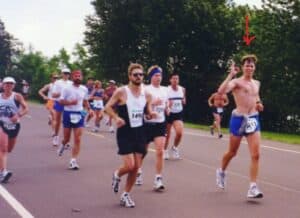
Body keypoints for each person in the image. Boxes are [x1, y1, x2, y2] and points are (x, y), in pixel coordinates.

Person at [105, 63, 154, 208]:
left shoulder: (147, 94)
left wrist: (151, 114)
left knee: (136, 167)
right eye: (136, 74)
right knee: (130, 165)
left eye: (141, 74)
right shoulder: (122, 92)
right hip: (125, 132)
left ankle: (125, 194)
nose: (139, 77)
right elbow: (107, 107)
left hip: (140, 132)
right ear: (129, 76)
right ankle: (117, 174)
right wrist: (116, 118)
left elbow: (147, 111)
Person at [216, 54, 264, 199]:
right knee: (232, 152)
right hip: (238, 119)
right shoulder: (236, 82)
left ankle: (253, 187)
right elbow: (221, 91)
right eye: (247, 65)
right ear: (243, 67)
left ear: (254, 68)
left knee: (256, 154)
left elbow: (256, 96)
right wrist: (230, 75)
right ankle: (221, 171)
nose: (249, 67)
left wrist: (259, 104)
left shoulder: (257, 83)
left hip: (253, 119)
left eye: (251, 65)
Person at [135, 65, 169, 190]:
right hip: (146, 124)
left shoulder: (165, 90)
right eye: (156, 75)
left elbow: (165, 104)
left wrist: (167, 108)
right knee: (142, 152)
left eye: (160, 75)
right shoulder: (145, 89)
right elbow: (139, 104)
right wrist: (153, 104)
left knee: (160, 151)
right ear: (151, 77)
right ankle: (138, 171)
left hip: (160, 123)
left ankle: (158, 179)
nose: (158, 77)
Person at [57, 70, 92, 170]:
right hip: (68, 113)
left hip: (79, 113)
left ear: (82, 77)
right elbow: (60, 101)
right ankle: (63, 145)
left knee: (78, 138)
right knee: (67, 138)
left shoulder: (84, 89)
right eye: (76, 76)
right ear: (72, 77)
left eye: (79, 76)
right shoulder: (66, 88)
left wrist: (89, 109)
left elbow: (85, 101)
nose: (78, 77)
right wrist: (70, 102)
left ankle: (73, 160)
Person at [0, 77, 28, 183]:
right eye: (6, 83)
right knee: (3, 148)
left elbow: (26, 108)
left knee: (9, 149)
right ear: (3, 85)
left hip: (14, 126)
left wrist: (19, 114)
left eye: (11, 84)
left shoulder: (17, 96)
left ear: (14, 85)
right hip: (2, 124)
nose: (8, 85)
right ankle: (3, 172)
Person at [164, 73, 186, 160]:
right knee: (167, 134)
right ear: (170, 80)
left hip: (178, 113)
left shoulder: (182, 89)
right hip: (169, 113)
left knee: (179, 133)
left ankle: (174, 148)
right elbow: (164, 101)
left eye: (177, 79)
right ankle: (165, 151)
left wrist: (183, 101)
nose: (175, 80)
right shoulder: (166, 90)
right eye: (173, 78)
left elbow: (184, 100)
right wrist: (168, 105)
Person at [51, 68, 72, 146]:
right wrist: (62, 93)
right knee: (58, 121)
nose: (66, 75)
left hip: (67, 104)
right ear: (62, 74)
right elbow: (53, 94)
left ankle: (67, 140)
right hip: (59, 102)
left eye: (68, 73)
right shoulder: (57, 82)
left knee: (68, 122)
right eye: (65, 73)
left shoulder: (71, 83)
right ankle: (56, 137)